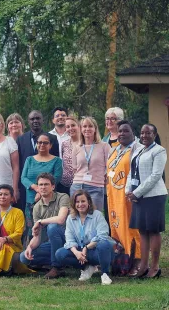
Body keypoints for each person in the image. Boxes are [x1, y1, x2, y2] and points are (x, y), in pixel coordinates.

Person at [126, 124, 167, 279]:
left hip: (154, 196)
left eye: (148, 133)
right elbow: (132, 172)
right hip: (138, 196)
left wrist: (136, 193)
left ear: (155, 134)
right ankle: (143, 266)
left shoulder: (159, 151)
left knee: (153, 231)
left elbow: (156, 175)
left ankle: (155, 267)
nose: (144, 135)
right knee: (142, 231)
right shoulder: (138, 150)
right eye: (142, 133)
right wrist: (128, 191)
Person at [55, 190, 115, 285]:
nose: (80, 204)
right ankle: (86, 268)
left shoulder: (97, 215)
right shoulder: (70, 218)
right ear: (73, 204)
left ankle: (105, 274)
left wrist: (86, 248)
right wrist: (76, 253)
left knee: (104, 243)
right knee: (60, 254)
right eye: (77, 202)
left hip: (97, 251)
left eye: (83, 201)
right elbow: (69, 239)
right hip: (81, 251)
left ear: (89, 202)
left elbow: (102, 235)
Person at [106, 120, 143, 274]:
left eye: (126, 131)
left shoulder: (137, 149)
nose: (122, 134)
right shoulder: (113, 150)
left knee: (132, 228)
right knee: (117, 227)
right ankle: (122, 263)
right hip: (113, 196)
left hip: (128, 196)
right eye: (120, 131)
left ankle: (137, 262)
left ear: (132, 132)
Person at [19, 173, 69, 278]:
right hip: (52, 244)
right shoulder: (37, 207)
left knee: (52, 227)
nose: (43, 187)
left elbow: (60, 219)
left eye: (46, 184)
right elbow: (37, 235)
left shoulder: (63, 197)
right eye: (40, 185)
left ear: (53, 186)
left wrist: (41, 221)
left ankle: (57, 267)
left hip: (68, 240)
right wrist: (30, 246)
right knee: (24, 257)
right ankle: (60, 261)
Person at [21, 133, 63, 242]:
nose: (42, 145)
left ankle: (48, 254)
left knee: (49, 228)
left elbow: (56, 178)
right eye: (39, 142)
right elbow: (23, 178)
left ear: (51, 145)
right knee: (32, 229)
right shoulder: (29, 160)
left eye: (45, 142)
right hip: (31, 200)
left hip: (49, 201)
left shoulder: (57, 161)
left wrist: (42, 192)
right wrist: (36, 188)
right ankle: (32, 254)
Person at [16, 111, 59, 210]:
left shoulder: (52, 138)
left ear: (42, 120)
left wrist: (45, 188)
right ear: (28, 121)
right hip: (28, 188)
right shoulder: (21, 139)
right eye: (32, 119)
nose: (35, 121)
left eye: (38, 118)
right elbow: (20, 163)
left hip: (48, 190)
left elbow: (56, 161)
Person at [70, 117, 111, 211]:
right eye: (84, 126)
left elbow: (110, 167)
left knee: (94, 216)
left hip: (96, 187)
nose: (87, 129)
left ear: (95, 129)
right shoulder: (77, 148)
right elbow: (75, 169)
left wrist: (107, 177)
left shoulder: (104, 146)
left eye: (90, 126)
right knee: (76, 217)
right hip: (77, 186)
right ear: (81, 129)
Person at [60, 117, 81, 193]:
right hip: (65, 185)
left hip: (81, 184)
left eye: (73, 125)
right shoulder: (64, 144)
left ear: (79, 126)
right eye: (67, 127)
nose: (70, 128)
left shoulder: (85, 143)